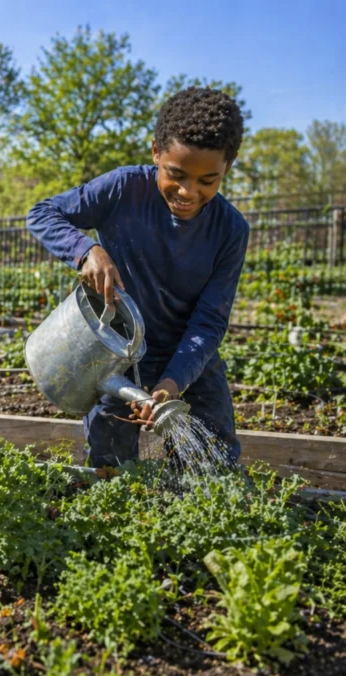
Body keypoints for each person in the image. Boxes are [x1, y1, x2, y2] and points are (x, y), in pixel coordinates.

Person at [26, 87, 248, 468]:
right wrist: (87, 251)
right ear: (156, 152)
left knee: (211, 466)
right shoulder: (123, 189)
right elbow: (42, 214)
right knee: (109, 466)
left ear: (228, 166)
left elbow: (209, 321)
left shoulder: (230, 230)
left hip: (188, 355)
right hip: (115, 352)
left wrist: (174, 382)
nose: (187, 191)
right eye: (175, 174)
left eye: (207, 181)